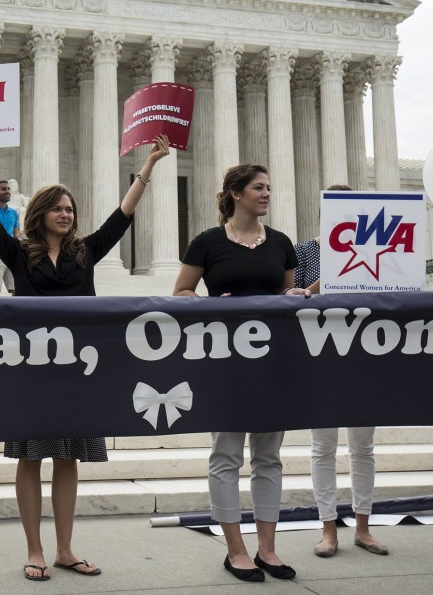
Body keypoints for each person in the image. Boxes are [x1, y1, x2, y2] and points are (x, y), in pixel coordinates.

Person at [0, 130, 170, 583]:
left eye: (70, 209)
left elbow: (123, 215)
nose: (66, 214)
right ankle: (34, 550)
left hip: (78, 371)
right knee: (30, 458)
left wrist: (148, 166)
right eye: (58, 208)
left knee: (68, 458)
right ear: (41, 214)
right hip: (31, 369)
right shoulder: (19, 253)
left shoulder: (86, 253)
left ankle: (66, 548)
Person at [172, 163, 309, 583]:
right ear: (235, 193)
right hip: (226, 361)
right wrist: (210, 305)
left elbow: (285, 292)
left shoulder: (283, 243)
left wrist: (295, 294)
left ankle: (267, 548)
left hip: (273, 362)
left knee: (268, 457)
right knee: (226, 455)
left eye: (269, 187)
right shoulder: (207, 243)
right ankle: (236, 550)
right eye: (258, 187)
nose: (267, 193)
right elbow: (180, 293)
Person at [289, 185, 387, 557]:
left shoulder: (377, 250)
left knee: (363, 446)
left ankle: (363, 527)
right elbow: (295, 299)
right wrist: (331, 277)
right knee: (323, 446)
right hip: (321, 355)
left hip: (365, 353)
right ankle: (328, 529)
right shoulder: (303, 251)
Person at [0, 180, 20, 296]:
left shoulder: (14, 213)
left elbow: (16, 234)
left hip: (11, 254)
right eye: (4, 189)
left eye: (8, 189)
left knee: (17, 289)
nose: (7, 191)